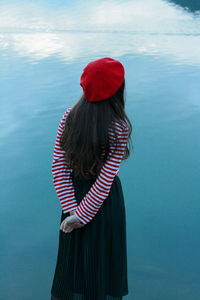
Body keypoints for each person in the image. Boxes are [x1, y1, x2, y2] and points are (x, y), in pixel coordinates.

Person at [50, 57, 133, 300]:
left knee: (73, 262)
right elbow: (105, 179)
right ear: (118, 89)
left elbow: (58, 167)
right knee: (103, 261)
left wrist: (72, 211)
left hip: (73, 194)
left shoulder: (69, 117)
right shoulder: (119, 126)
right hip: (105, 202)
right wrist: (84, 215)